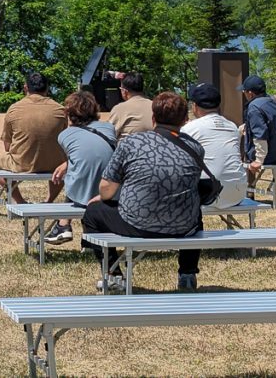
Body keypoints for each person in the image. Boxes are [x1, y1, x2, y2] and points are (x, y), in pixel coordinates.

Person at [81, 92, 204, 292]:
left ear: (153, 118)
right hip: (183, 225)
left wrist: (103, 199)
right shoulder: (195, 148)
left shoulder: (131, 143)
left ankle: (113, 275)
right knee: (196, 212)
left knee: (92, 214)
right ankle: (187, 273)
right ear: (184, 120)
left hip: (137, 222)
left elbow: (106, 188)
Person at [45, 91, 116, 246]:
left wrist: (66, 165)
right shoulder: (109, 128)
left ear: (69, 113)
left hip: (83, 191)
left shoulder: (65, 135)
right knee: (86, 173)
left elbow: (81, 158)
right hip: (111, 189)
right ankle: (76, 232)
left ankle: (63, 226)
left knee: (80, 175)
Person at [0, 73, 68, 204]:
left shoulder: (14, 109)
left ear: (26, 88)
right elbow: (66, 140)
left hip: (22, 163)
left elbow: (7, 146)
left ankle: (20, 202)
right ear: (47, 88)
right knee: (62, 164)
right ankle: (49, 201)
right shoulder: (60, 110)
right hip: (54, 164)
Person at [184, 83, 246, 208]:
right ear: (218, 105)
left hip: (208, 194)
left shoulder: (190, 129)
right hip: (238, 193)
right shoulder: (232, 126)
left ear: (194, 106)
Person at [240, 75, 276, 185]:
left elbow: (260, 135)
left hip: (273, 157)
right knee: (241, 131)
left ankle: (243, 188)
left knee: (242, 143)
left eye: (244, 92)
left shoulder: (254, 107)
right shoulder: (274, 101)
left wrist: (258, 160)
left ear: (250, 93)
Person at [107, 72, 154, 138]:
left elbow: (109, 135)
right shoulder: (155, 106)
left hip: (128, 147)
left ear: (124, 91)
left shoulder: (120, 109)